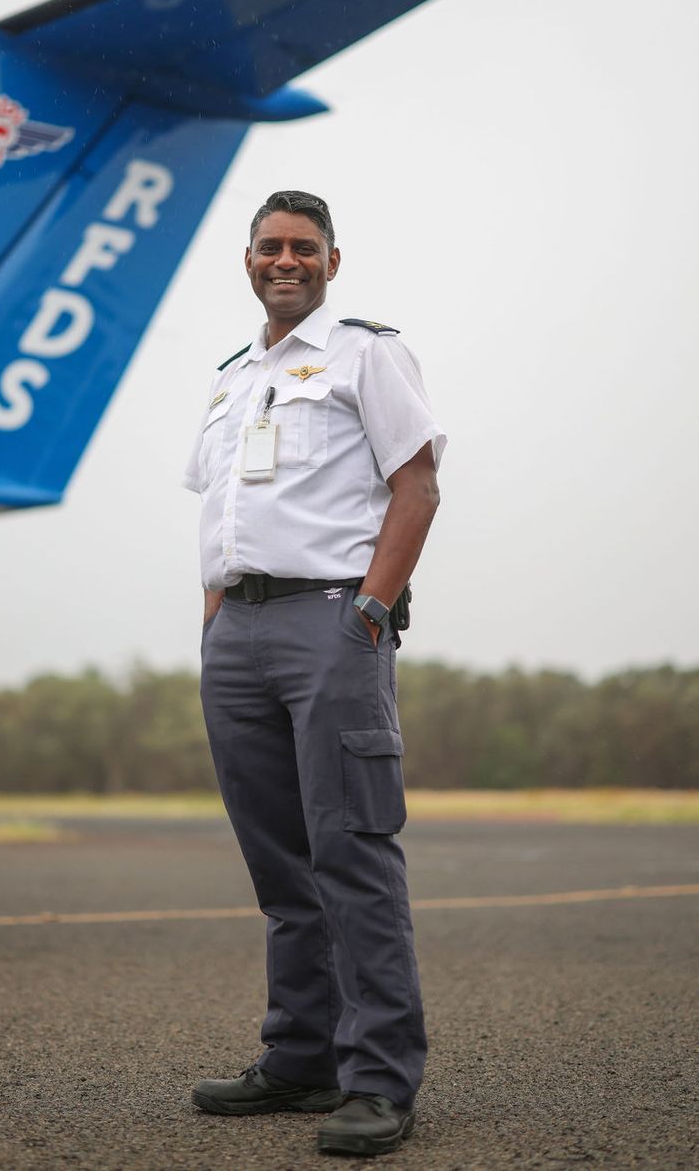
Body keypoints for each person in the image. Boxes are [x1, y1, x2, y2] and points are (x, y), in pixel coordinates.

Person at [183, 190, 446, 1159]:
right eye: (268, 246)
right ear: (246, 259)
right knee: (280, 864)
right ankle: (301, 1056)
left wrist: (371, 613)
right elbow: (218, 514)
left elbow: (415, 482)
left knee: (353, 852)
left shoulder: (367, 353)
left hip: (331, 620)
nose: (283, 259)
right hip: (238, 633)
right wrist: (213, 627)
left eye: (303, 247)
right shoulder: (229, 378)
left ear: (334, 261)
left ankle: (379, 1078)